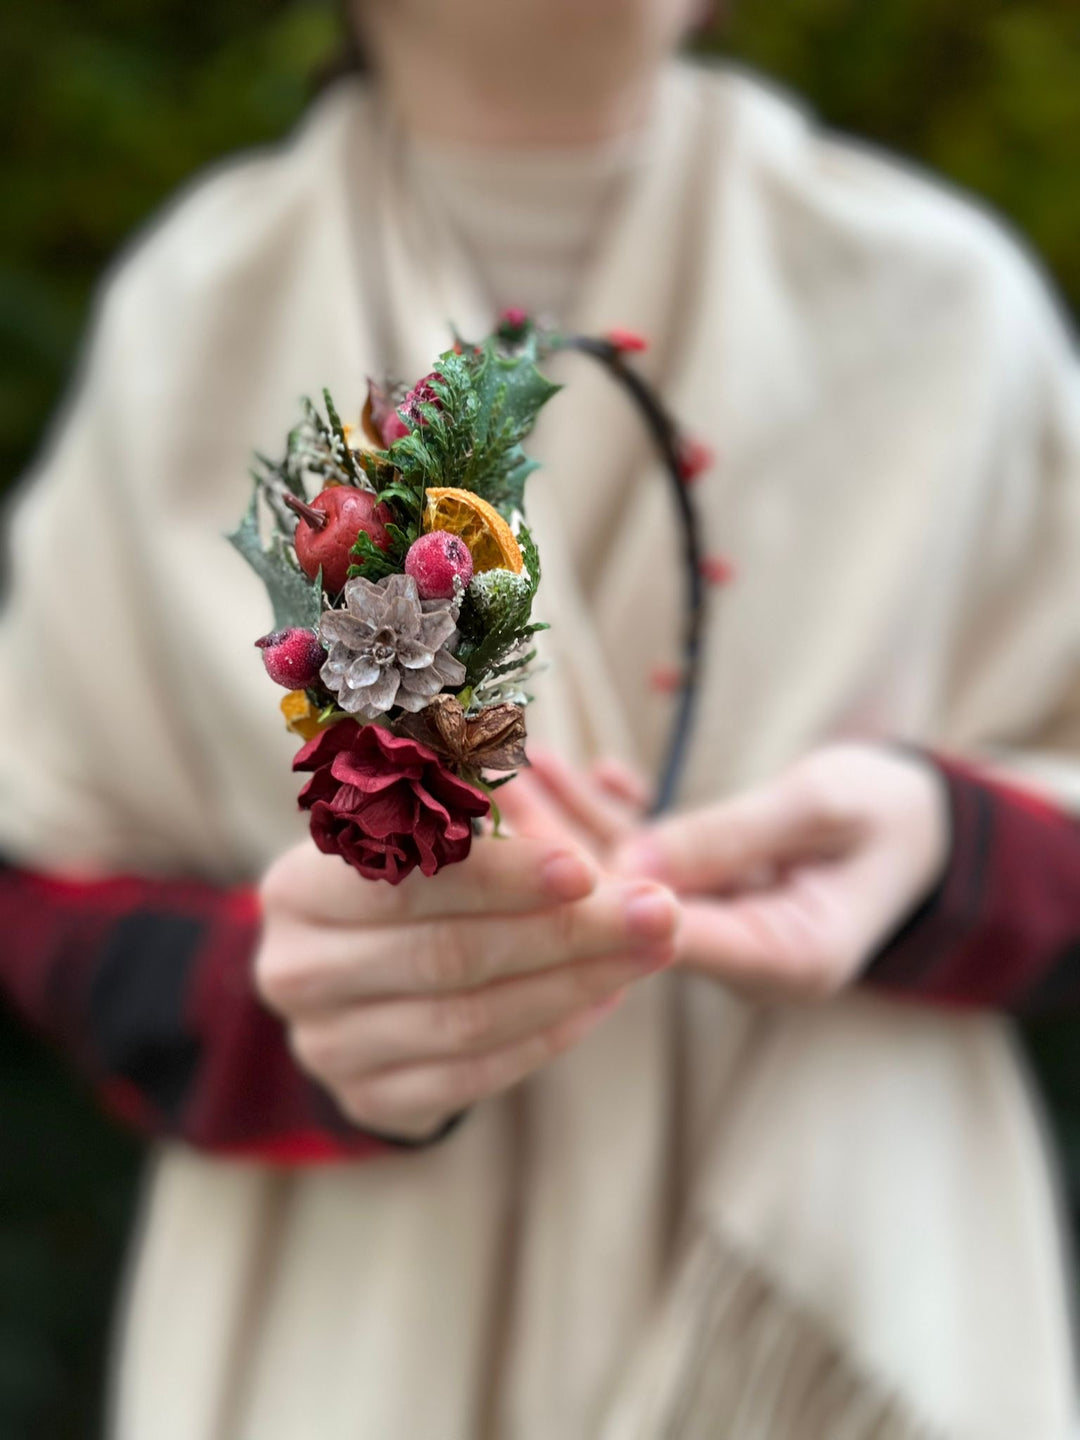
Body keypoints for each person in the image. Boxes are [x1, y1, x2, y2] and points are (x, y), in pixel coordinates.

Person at [1, 1, 1079, 1435]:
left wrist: (945, 850)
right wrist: (296, 1002)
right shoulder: (192, 322)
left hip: (830, 1328)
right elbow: (47, 871)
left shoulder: (945, 308)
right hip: (352, 1336)